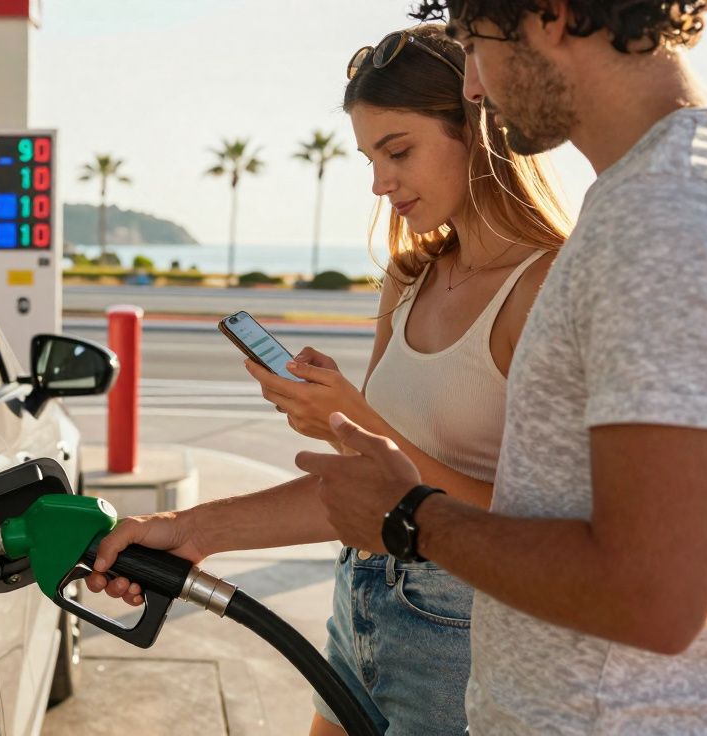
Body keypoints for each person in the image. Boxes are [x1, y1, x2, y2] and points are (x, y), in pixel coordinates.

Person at [96, 1, 707, 732]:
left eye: (474, 44)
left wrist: (411, 514)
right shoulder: (645, 206)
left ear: (547, 14)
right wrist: (196, 529)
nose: (475, 88)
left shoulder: (673, 214)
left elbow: (655, 595)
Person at [90, 23, 572, 735]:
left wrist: (356, 417)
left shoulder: (548, 287)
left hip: (464, 637)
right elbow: (358, 488)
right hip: (361, 598)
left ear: (478, 127)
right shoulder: (411, 278)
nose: (380, 182)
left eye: (398, 150)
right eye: (369, 157)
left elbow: (545, 536)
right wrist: (185, 530)